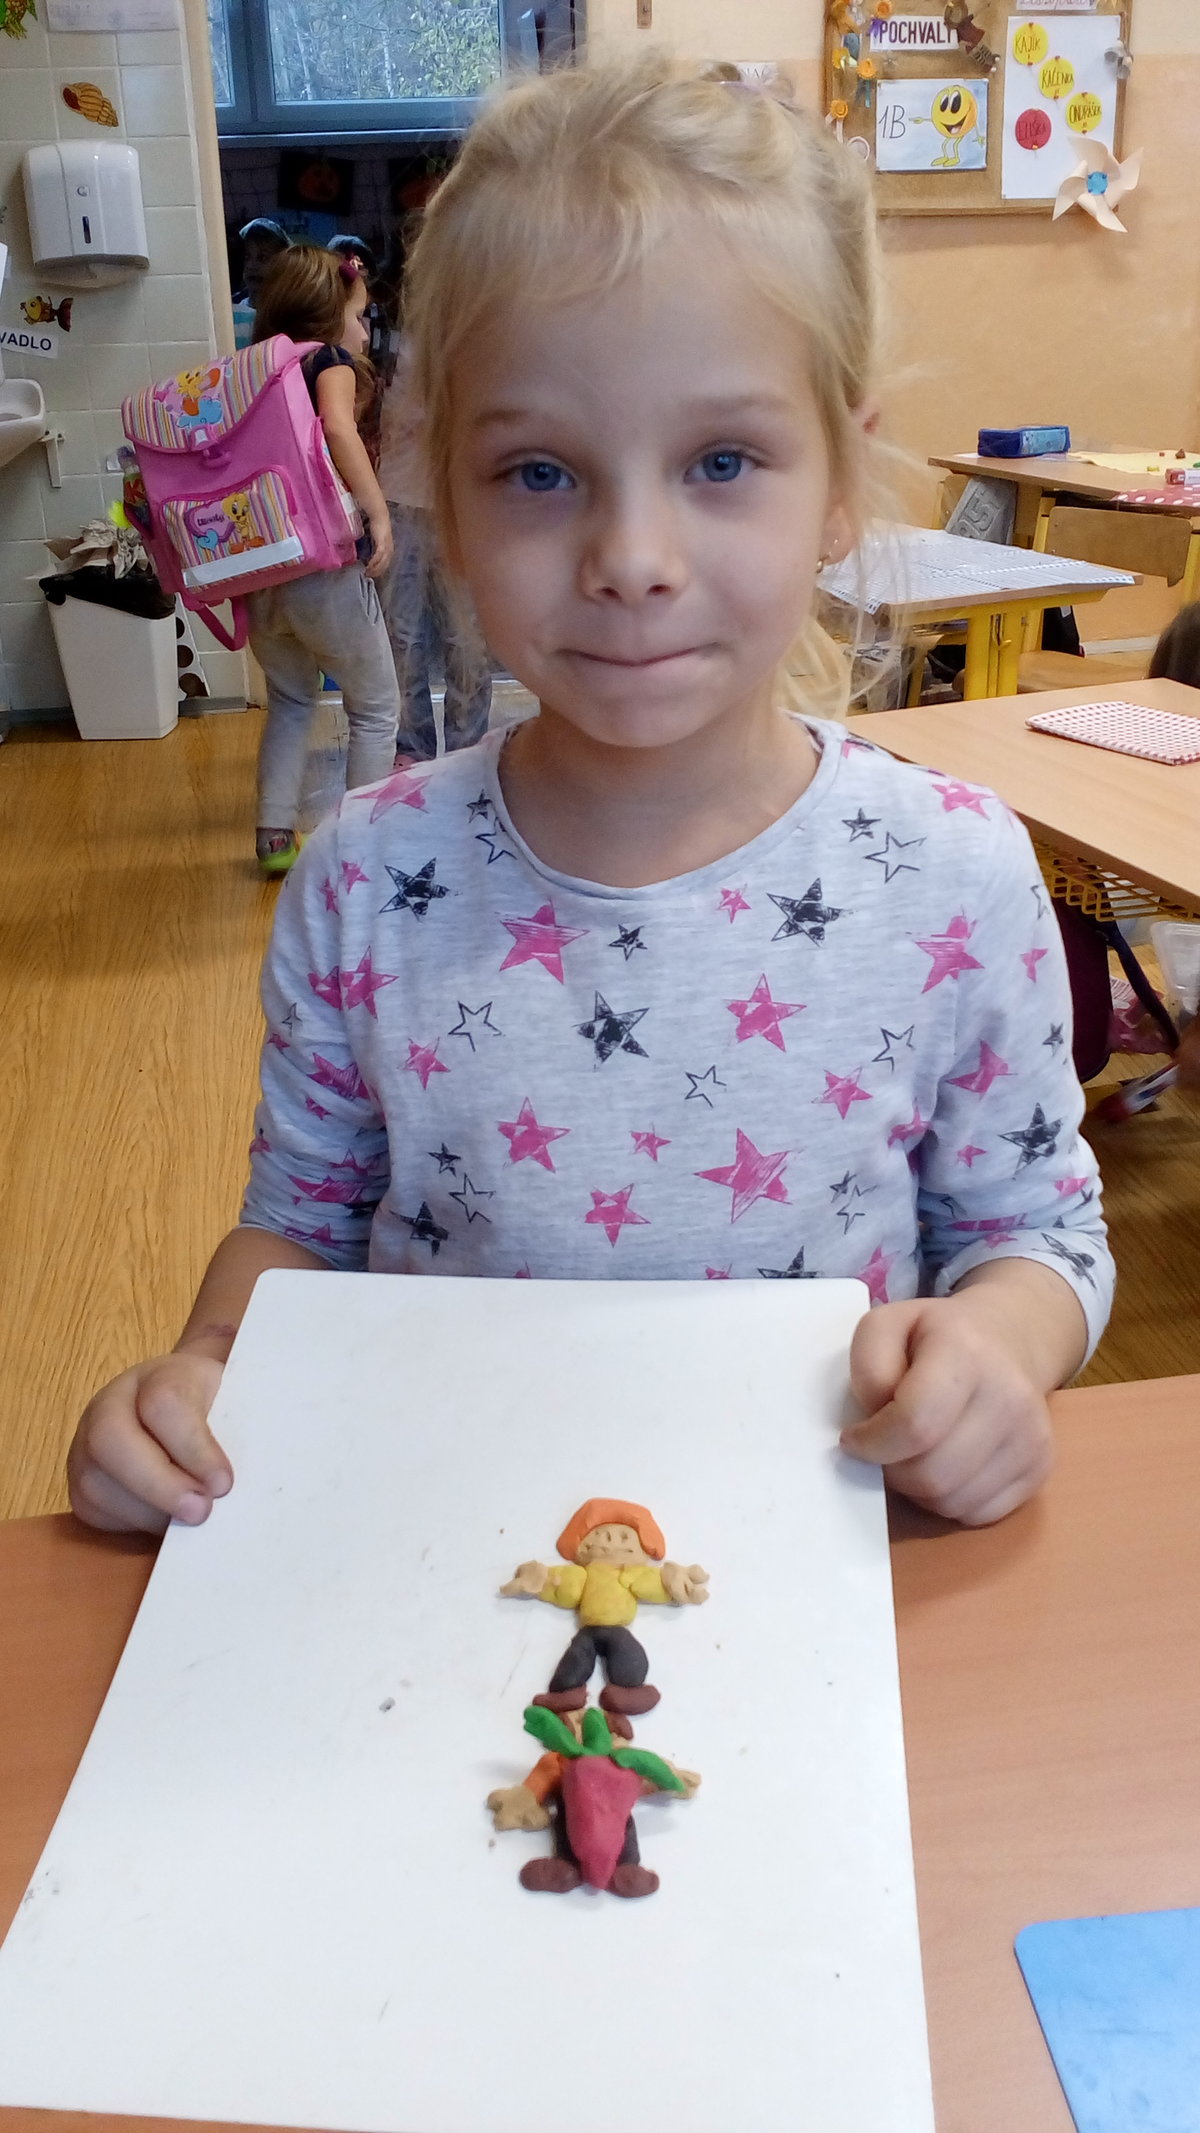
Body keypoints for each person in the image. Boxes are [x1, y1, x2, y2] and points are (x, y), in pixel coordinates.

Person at [68, 53, 1113, 1538]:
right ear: (440, 489)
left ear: (837, 480)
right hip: (443, 1551)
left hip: (818, 1558)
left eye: (722, 460)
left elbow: (1036, 1231)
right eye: (542, 473)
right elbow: (298, 1227)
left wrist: (1000, 1352)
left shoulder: (954, 877)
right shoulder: (366, 880)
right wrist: (208, 1376)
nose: (632, 558)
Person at [245, 245, 400, 874]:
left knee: (289, 702)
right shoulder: (326, 361)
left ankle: (274, 838)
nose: (363, 332)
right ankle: (359, 848)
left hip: (261, 573)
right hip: (323, 570)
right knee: (376, 707)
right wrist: (378, 512)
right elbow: (338, 428)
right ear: (328, 314)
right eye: (358, 316)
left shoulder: (255, 369)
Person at [378, 313, 493, 761]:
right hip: (396, 500)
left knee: (467, 640)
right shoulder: (382, 337)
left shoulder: (475, 336)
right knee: (402, 637)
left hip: (463, 507)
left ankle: (468, 751)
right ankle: (412, 749)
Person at [231, 217, 290, 350]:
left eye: (262, 258)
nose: (252, 266)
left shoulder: (286, 314)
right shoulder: (234, 312)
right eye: (246, 257)